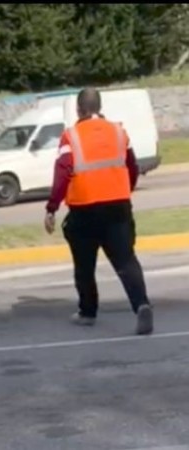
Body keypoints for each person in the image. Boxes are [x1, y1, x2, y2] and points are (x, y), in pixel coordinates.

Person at [44, 87, 153, 336]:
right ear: (99, 107)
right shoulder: (118, 131)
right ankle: (142, 304)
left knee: (84, 264)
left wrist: (52, 207)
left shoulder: (71, 136)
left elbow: (62, 172)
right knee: (126, 260)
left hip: (84, 209)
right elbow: (132, 165)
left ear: (79, 110)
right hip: (118, 206)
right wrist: (126, 190)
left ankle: (87, 312)